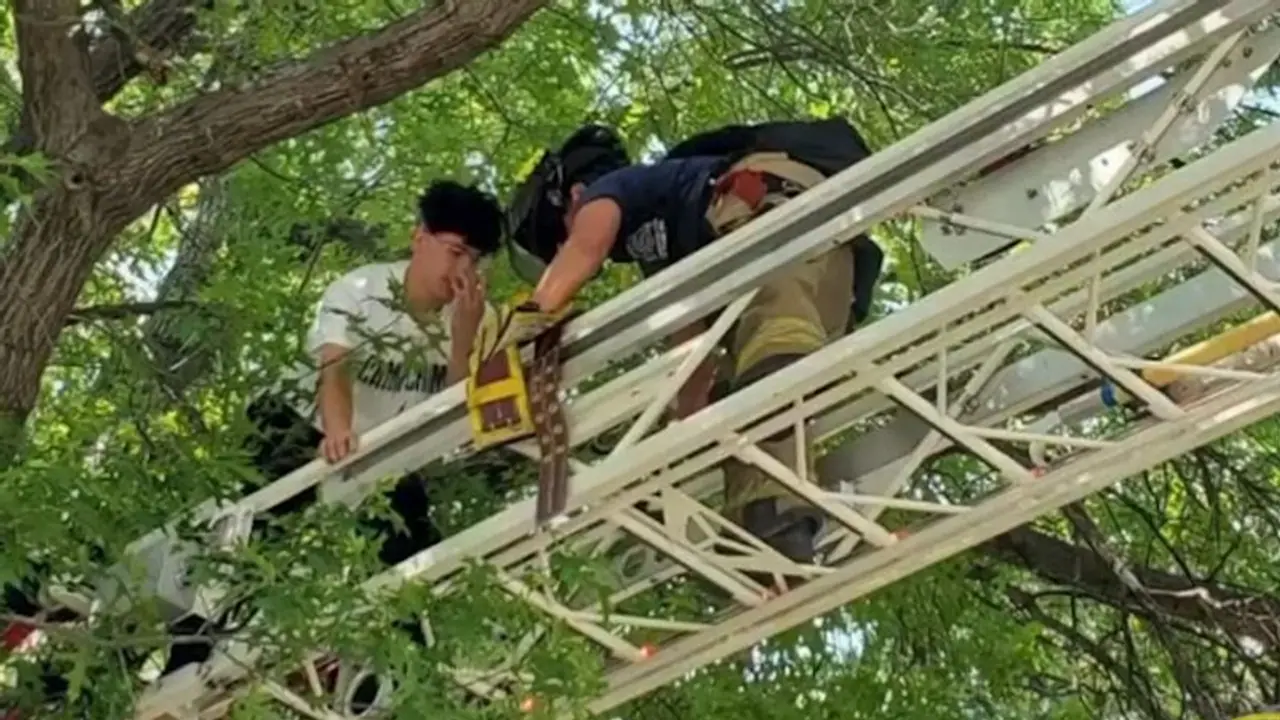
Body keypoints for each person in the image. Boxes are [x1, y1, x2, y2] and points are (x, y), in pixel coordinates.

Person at [502, 119, 879, 569]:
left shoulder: (615, 189)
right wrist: (685, 447)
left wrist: (523, 331)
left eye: (562, 232)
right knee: (747, 398)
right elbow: (691, 359)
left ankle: (781, 370)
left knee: (772, 314)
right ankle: (771, 520)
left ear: (576, 196)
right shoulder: (664, 260)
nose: (568, 240)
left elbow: (585, 247)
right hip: (829, 283)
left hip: (773, 213)